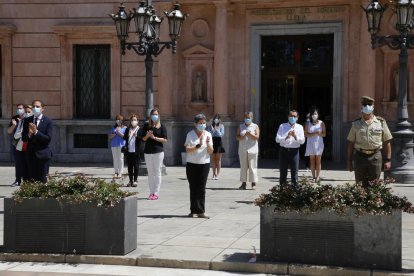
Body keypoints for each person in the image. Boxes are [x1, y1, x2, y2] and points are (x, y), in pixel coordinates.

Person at [347, 96, 393, 186]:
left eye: (369, 104)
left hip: (375, 157)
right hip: (360, 157)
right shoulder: (356, 124)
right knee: (360, 186)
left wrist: (388, 160)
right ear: (361, 107)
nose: (367, 106)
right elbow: (351, 142)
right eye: (365, 104)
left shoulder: (381, 122)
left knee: (374, 186)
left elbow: (387, 141)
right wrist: (349, 161)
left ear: (373, 107)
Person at [184, 114, 214, 218]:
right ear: (195, 124)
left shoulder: (208, 135)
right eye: (200, 123)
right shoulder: (190, 134)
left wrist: (208, 144)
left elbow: (211, 151)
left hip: (204, 164)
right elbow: (187, 149)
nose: (202, 125)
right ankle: (193, 211)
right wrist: (198, 146)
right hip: (192, 164)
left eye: (203, 123)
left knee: (201, 188)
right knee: (193, 187)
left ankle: (201, 211)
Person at [22, 100, 53, 183]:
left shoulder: (48, 121)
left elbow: (48, 138)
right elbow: (23, 138)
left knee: (43, 180)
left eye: (38, 107)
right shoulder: (27, 120)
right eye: (34, 106)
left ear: (43, 109)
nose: (35, 108)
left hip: (43, 155)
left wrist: (36, 132)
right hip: (31, 155)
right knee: (32, 180)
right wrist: (29, 134)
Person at [142, 108, 167, 200]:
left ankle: (156, 192)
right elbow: (143, 139)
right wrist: (147, 136)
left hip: (158, 151)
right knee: (150, 173)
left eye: (156, 114)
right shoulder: (146, 126)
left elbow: (165, 139)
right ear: (150, 116)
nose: (154, 116)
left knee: (157, 172)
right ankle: (151, 192)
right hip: (148, 152)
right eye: (153, 114)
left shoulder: (162, 127)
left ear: (158, 116)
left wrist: (155, 138)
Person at [275, 109, 305, 187]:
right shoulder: (282, 126)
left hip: (294, 152)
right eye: (291, 116)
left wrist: (295, 136)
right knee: (283, 173)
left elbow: (302, 141)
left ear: (297, 117)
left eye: (294, 116)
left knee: (294, 173)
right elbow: (277, 139)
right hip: (283, 151)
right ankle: (282, 192)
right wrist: (286, 137)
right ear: (288, 116)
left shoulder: (300, 127)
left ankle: (295, 193)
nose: (292, 117)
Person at [236, 111, 260, 190]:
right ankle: (243, 183)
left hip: (252, 149)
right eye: (246, 117)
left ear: (252, 118)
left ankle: (253, 183)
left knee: (252, 166)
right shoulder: (241, 126)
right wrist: (244, 135)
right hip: (243, 149)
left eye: (249, 117)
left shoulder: (255, 126)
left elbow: (257, 137)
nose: (247, 119)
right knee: (243, 166)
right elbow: (237, 137)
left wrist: (250, 134)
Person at [7, 103, 28, 186]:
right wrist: (14, 125)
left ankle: (27, 179)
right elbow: (9, 131)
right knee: (18, 162)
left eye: (20, 108)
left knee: (26, 161)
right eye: (18, 108)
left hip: (26, 142)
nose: (19, 110)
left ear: (24, 109)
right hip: (16, 142)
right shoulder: (14, 118)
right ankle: (18, 180)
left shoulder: (28, 118)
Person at [304, 108, 326, 182]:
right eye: (313, 114)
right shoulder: (308, 123)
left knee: (318, 160)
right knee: (312, 160)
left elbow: (324, 134)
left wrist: (320, 133)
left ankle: (318, 176)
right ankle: (313, 176)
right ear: (311, 115)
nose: (314, 115)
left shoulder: (321, 123)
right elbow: (306, 134)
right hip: (310, 143)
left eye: (316, 114)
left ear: (318, 115)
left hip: (318, 143)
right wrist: (314, 133)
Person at [123, 114, 141, 187]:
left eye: (135, 120)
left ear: (137, 121)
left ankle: (135, 180)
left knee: (136, 166)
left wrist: (137, 136)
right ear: (130, 121)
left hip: (136, 151)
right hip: (129, 151)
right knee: (130, 167)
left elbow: (142, 139)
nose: (133, 121)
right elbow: (124, 138)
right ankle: (130, 180)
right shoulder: (128, 129)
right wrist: (127, 135)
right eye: (132, 120)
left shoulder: (139, 129)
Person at [208, 114, 225, 180]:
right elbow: (209, 134)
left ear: (219, 120)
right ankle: (213, 174)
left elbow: (221, 134)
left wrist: (217, 130)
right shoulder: (210, 126)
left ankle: (218, 174)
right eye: (215, 118)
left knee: (218, 160)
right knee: (213, 159)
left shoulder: (221, 126)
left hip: (218, 142)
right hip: (212, 142)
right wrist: (213, 130)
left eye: (217, 119)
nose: (216, 120)